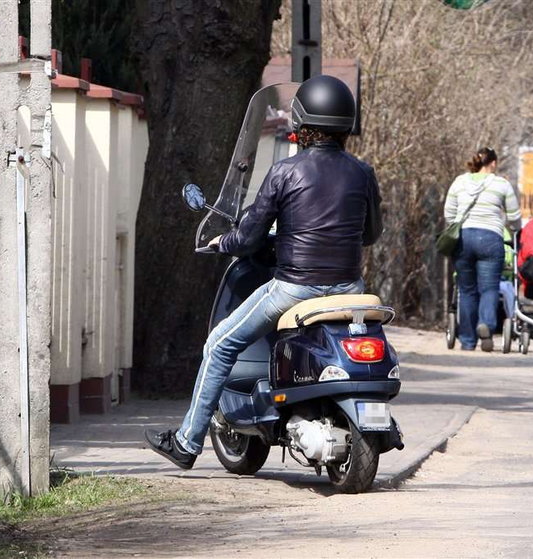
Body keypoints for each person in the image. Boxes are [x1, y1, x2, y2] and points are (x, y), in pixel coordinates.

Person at [144, 75, 383, 469]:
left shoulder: (285, 172)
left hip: (296, 289)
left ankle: (187, 443)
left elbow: (250, 236)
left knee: (219, 345)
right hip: (349, 289)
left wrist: (223, 242)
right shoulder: (363, 173)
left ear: (300, 122)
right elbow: (371, 233)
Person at [444, 147, 521, 351]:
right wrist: (516, 230)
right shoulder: (501, 184)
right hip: (490, 239)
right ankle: (486, 324)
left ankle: (468, 341)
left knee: (467, 290)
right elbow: (514, 217)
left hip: (463, 239)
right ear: (493, 163)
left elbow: (449, 214)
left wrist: (458, 224)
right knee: (489, 288)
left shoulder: (459, 182)